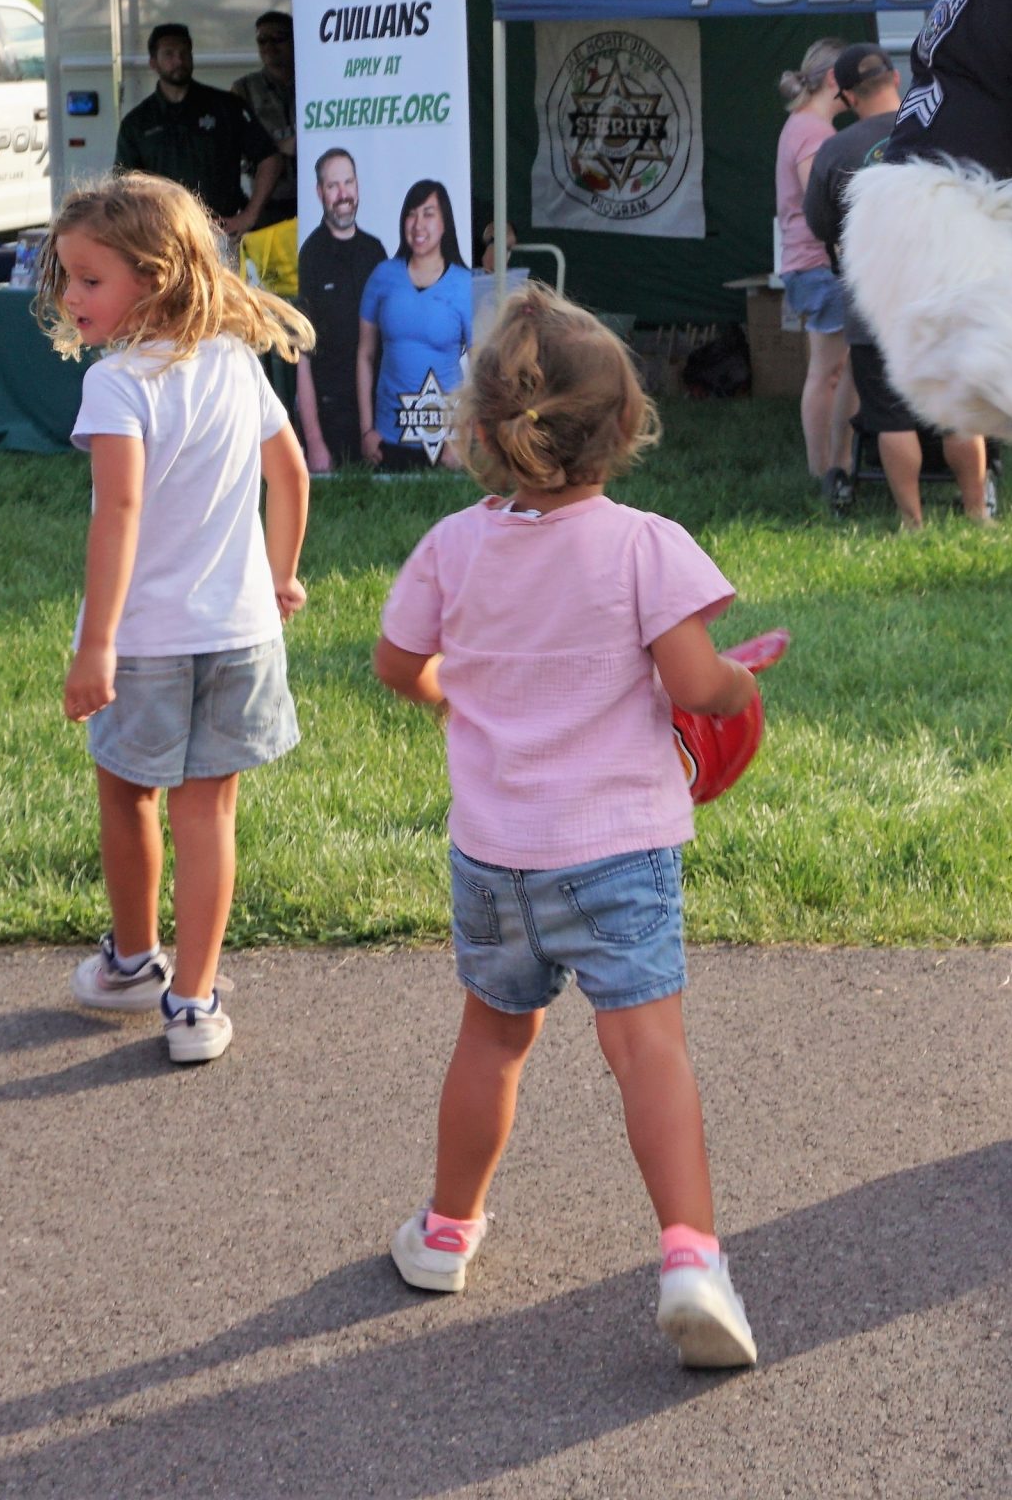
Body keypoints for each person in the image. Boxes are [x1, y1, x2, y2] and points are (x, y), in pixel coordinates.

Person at [371, 283, 765, 1367]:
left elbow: (397, 665)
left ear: (483, 432)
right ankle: (690, 1257)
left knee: (492, 1040)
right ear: (626, 422)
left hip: (495, 855)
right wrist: (736, 686)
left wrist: (461, 688)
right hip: (618, 851)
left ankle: (447, 1230)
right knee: (648, 1051)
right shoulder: (645, 544)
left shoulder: (454, 545)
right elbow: (693, 678)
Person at [40, 170, 313, 1064]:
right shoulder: (237, 361)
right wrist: (280, 577)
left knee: (127, 794)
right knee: (211, 815)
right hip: (240, 633)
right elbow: (293, 475)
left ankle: (132, 963)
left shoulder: (118, 387)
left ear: (152, 279)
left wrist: (95, 646)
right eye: (67, 277)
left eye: (88, 279)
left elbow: (118, 516)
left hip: (147, 643)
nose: (69, 296)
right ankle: (194, 1003)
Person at [800, 42, 992, 530]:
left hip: (874, 305)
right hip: (945, 298)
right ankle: (977, 513)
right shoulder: (945, 135)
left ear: (845, 96)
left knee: (891, 419)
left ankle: (913, 523)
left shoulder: (836, 150)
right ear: (895, 81)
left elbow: (820, 223)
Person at [773, 37, 856, 506]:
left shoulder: (801, 125)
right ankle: (825, 468)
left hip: (809, 265)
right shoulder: (813, 132)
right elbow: (818, 200)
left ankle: (830, 464)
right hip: (819, 264)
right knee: (829, 371)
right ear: (833, 80)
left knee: (831, 369)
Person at [114, 21, 283, 241]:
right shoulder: (137, 123)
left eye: (185, 53)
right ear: (153, 63)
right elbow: (123, 186)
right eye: (169, 54)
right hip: (163, 238)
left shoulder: (226, 106)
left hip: (219, 232)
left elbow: (270, 159)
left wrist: (249, 215)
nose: (179, 60)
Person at [358, 178, 474, 469]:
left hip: (447, 442)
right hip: (388, 440)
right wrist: (367, 431)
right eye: (412, 213)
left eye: (428, 213)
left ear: (445, 222)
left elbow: (481, 367)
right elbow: (364, 355)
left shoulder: (466, 284)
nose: (418, 224)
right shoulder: (382, 276)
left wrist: (463, 438)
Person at [295, 146, 388, 474]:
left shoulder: (375, 251)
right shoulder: (311, 256)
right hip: (331, 418)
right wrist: (315, 441)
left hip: (379, 416)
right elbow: (301, 356)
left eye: (348, 183)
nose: (343, 194)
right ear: (319, 193)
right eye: (333, 186)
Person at [232, 11, 299, 229]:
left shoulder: (316, 80)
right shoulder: (244, 89)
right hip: (269, 202)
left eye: (277, 38)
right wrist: (278, 148)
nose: (269, 46)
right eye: (262, 40)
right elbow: (233, 150)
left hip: (317, 198)